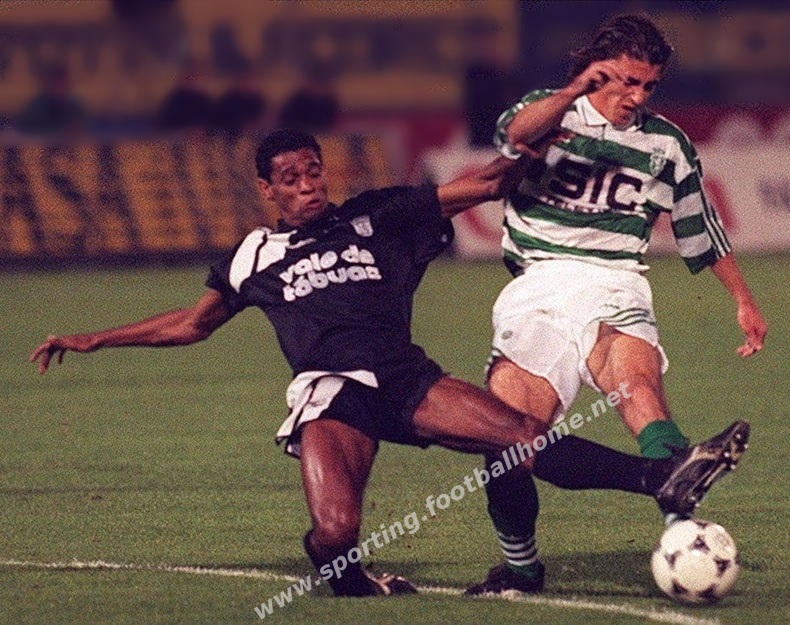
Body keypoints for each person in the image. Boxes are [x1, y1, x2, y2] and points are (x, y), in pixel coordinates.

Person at [30, 128, 750, 597]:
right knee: (337, 535)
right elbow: (193, 323)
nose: (307, 184)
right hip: (331, 393)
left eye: (313, 170)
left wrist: (545, 133)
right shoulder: (254, 254)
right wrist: (96, 338)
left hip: (405, 378)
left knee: (519, 437)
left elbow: (486, 184)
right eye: (290, 177)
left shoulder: (380, 216)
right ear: (267, 189)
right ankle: (350, 579)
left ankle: (661, 476)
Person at [465, 13, 767, 595]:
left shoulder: (666, 144)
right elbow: (510, 137)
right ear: (597, 69)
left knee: (640, 392)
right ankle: (522, 568)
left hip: (616, 282)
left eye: (649, 85)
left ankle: (682, 530)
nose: (638, 96)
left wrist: (742, 299)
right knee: (508, 439)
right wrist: (571, 91)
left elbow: (699, 227)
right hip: (538, 287)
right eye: (629, 81)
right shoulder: (550, 112)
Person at [16, 61, 89, 137]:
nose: (60, 88)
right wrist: (61, 132)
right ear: (48, 84)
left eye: (63, 84)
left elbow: (89, 128)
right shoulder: (36, 108)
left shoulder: (74, 106)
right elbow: (24, 132)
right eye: (56, 84)